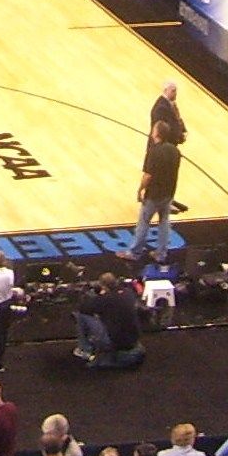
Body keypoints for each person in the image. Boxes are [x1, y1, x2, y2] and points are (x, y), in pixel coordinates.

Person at [133, 121, 183, 264]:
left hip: (154, 193)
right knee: (164, 222)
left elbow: (148, 175)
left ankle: (134, 252)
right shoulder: (175, 151)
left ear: (156, 133)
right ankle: (161, 253)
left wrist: (140, 189)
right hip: (169, 192)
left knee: (143, 222)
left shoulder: (154, 151)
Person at [74, 271, 143, 365]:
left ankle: (85, 349)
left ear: (104, 287)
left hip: (114, 342)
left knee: (80, 315)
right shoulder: (128, 292)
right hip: (133, 338)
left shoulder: (104, 299)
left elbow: (82, 308)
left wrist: (97, 296)